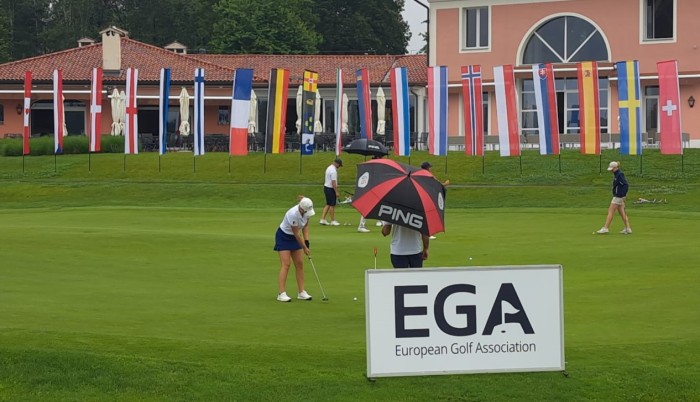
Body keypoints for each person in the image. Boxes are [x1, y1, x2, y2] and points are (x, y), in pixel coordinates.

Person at [274, 196, 315, 302]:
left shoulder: (306, 209)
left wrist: (307, 242)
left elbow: (305, 226)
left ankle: (301, 292)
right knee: (286, 264)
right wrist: (304, 248)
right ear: (301, 208)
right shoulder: (293, 214)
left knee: (299, 263)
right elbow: (296, 234)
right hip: (284, 236)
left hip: (295, 237)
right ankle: (281, 293)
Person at [596, 161, 632, 234]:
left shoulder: (619, 174)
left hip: (619, 196)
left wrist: (623, 194)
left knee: (611, 211)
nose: (611, 170)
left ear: (616, 168)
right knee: (622, 212)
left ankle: (605, 228)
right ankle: (628, 228)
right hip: (619, 196)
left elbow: (625, 185)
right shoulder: (616, 174)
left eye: (612, 169)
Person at [421, 161, 449, 239]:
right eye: (430, 167)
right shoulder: (429, 175)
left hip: (422, 196)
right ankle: (427, 233)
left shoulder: (419, 174)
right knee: (428, 214)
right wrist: (446, 183)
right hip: (428, 197)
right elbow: (438, 184)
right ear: (427, 168)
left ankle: (423, 233)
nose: (431, 169)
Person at [320, 158, 342, 226]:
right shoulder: (333, 171)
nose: (339, 167)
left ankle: (322, 219)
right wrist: (336, 192)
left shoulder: (329, 168)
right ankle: (332, 220)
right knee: (332, 205)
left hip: (326, 188)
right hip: (330, 189)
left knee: (328, 204)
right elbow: (333, 182)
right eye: (339, 165)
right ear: (336, 163)